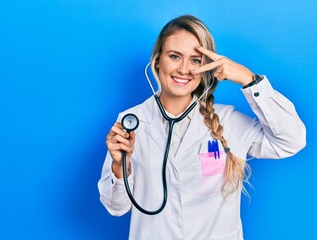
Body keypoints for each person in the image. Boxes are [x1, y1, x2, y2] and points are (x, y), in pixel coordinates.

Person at [98, 15, 306, 240]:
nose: (184, 69)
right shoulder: (132, 121)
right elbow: (116, 207)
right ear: (157, 61)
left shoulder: (228, 121)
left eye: (196, 60)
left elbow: (291, 141)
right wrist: (119, 167)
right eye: (175, 56)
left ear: (207, 67)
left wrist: (249, 79)